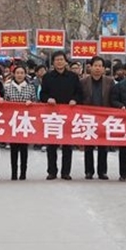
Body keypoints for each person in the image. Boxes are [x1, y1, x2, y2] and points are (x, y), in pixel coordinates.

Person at [40, 51, 82, 180]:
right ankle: (52, 171)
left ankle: (66, 172)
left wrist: (75, 100)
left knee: (67, 144)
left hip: (68, 114)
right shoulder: (47, 77)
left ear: (65, 61)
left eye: (61, 59)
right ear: (53, 62)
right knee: (51, 145)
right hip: (52, 115)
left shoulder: (73, 77)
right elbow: (42, 94)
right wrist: (48, 99)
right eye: (56, 60)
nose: (59, 62)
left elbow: (79, 93)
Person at [80, 56, 114, 180]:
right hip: (88, 117)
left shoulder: (110, 81)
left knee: (102, 146)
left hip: (104, 118)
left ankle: (102, 171)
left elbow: (112, 98)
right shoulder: (83, 81)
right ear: (91, 67)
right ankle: (89, 171)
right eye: (96, 66)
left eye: (100, 66)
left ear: (104, 68)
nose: (98, 68)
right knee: (88, 145)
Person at [4, 65, 38, 180]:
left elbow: (35, 102)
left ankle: (23, 172)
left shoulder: (30, 87)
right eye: (17, 73)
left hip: (25, 121)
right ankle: (14, 173)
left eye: (22, 73)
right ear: (14, 74)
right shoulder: (7, 87)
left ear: (25, 74)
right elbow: (5, 103)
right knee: (13, 149)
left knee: (24, 149)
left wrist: (31, 102)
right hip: (13, 121)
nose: (19, 75)